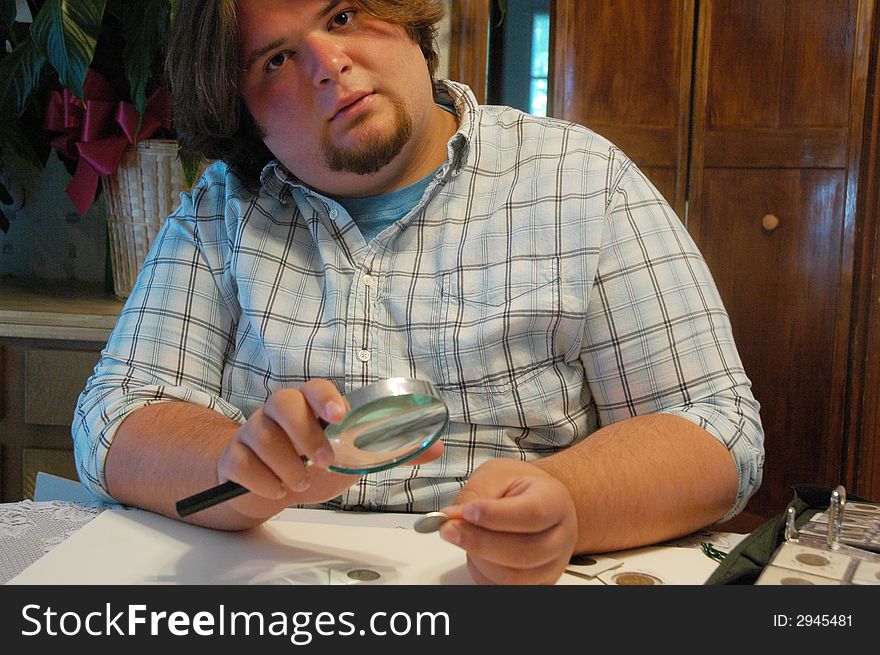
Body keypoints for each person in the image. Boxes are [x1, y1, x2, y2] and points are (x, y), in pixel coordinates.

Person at [73, 0, 764, 585]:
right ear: (242, 111)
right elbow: (113, 415)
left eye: (343, 14)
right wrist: (237, 464)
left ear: (405, 19)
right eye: (275, 60)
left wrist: (571, 500)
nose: (328, 63)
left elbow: (718, 427)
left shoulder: (582, 180)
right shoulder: (220, 211)